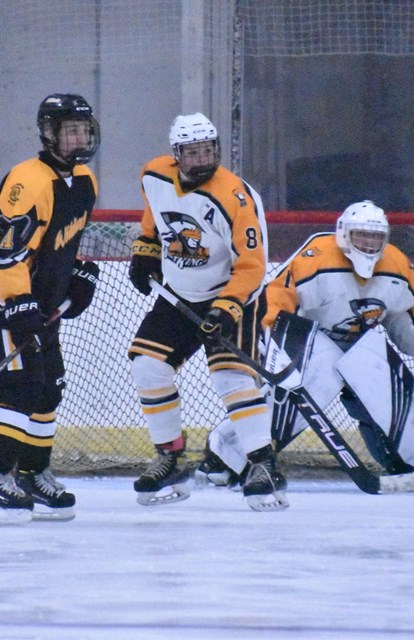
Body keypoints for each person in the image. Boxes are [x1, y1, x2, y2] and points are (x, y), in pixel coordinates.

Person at [196, 200, 414, 489]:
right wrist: (274, 352)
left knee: (385, 369)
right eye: (361, 235)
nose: (368, 243)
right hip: (308, 346)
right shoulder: (316, 259)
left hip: (359, 347)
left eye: (376, 237)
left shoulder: (398, 267)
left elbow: (410, 320)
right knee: (303, 380)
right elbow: (276, 305)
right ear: (343, 234)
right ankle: (229, 456)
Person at [127, 112, 287, 511]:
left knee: (231, 377)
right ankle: (170, 459)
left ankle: (264, 466)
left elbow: (252, 265)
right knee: (147, 366)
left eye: (207, 150)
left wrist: (226, 309)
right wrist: (145, 249)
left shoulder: (237, 197)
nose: (201, 159)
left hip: (234, 298)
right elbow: (155, 216)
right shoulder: (154, 174)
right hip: (179, 296)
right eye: (192, 152)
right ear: (176, 154)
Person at [0, 94, 101, 524]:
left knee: (49, 387)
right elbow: (4, 253)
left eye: (83, 129)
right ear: (48, 134)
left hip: (38, 306)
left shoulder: (84, 182)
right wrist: (19, 304)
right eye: (70, 130)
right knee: (21, 388)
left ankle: (30, 473)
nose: (79, 138)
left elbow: (55, 247)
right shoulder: (28, 181)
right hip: (1, 302)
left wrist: (76, 274)